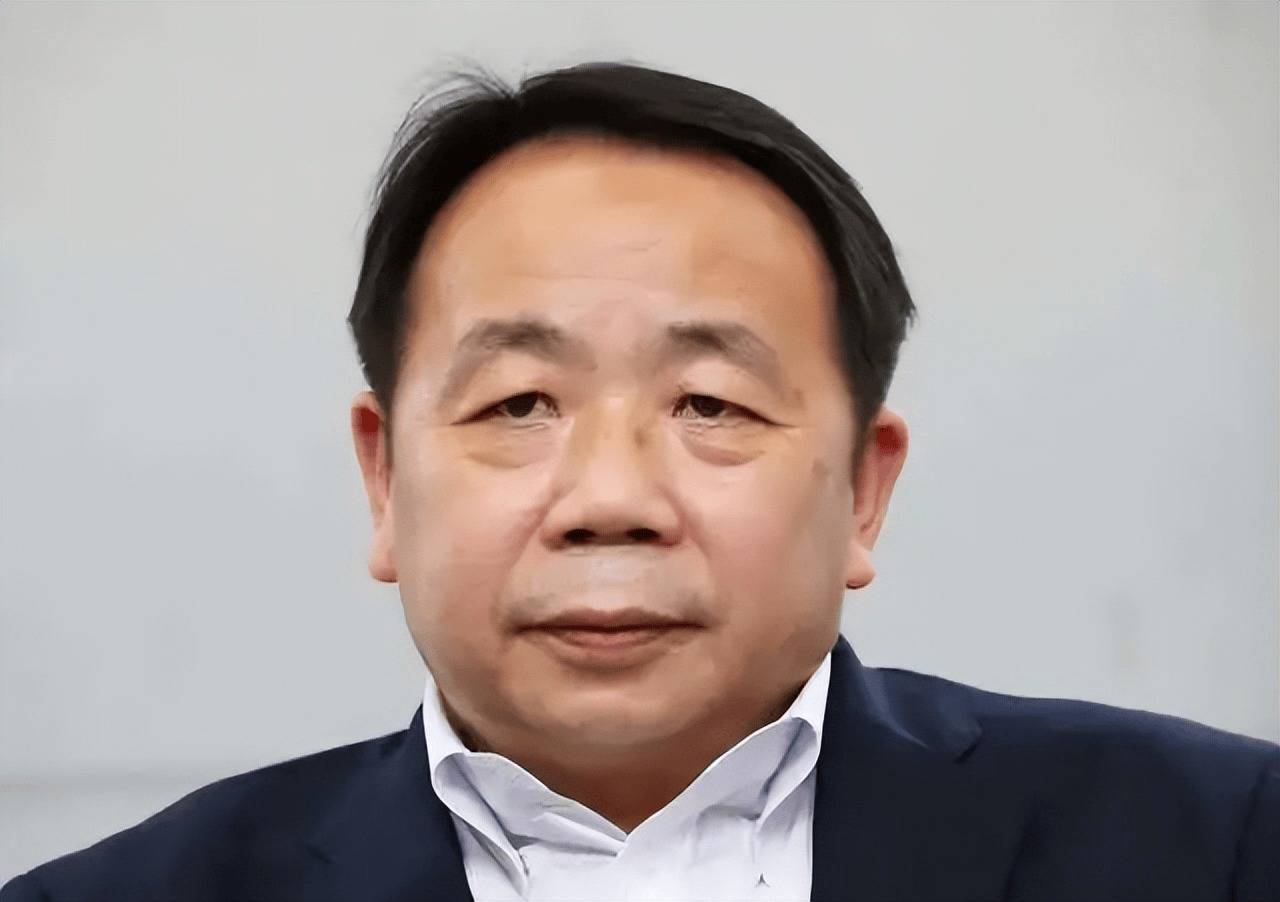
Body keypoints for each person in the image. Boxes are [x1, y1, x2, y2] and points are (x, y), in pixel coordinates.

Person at [3, 60, 1276, 902]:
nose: (608, 498)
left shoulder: (1218, 844)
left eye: (708, 404)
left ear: (863, 488)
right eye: (518, 405)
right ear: (383, 480)